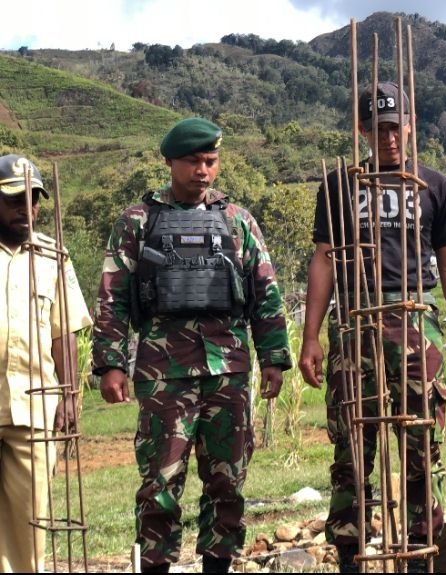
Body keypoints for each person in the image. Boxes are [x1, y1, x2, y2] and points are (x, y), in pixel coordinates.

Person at [91, 118, 292, 574]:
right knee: (160, 484)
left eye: (211, 161)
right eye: (193, 162)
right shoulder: (138, 222)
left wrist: (274, 359)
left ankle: (218, 566)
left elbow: (266, 292)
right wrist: (110, 364)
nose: (203, 171)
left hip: (229, 371)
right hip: (164, 375)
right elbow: (113, 296)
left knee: (228, 483)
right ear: (170, 162)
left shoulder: (237, 221)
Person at [298, 81, 446, 572]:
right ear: (361, 130)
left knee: (423, 445)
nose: (389, 138)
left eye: (396, 127)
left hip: (417, 324)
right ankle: (351, 558)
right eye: (378, 129)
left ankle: (421, 556)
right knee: (353, 447)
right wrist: (311, 335)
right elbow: (324, 262)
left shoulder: (434, 186)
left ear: (410, 125)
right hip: (355, 324)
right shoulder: (339, 187)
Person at [0, 154, 92, 573]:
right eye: (15, 199)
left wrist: (69, 396)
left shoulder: (54, 258)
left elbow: (64, 331)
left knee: (30, 522)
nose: (28, 209)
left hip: (33, 408)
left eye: (34, 199)